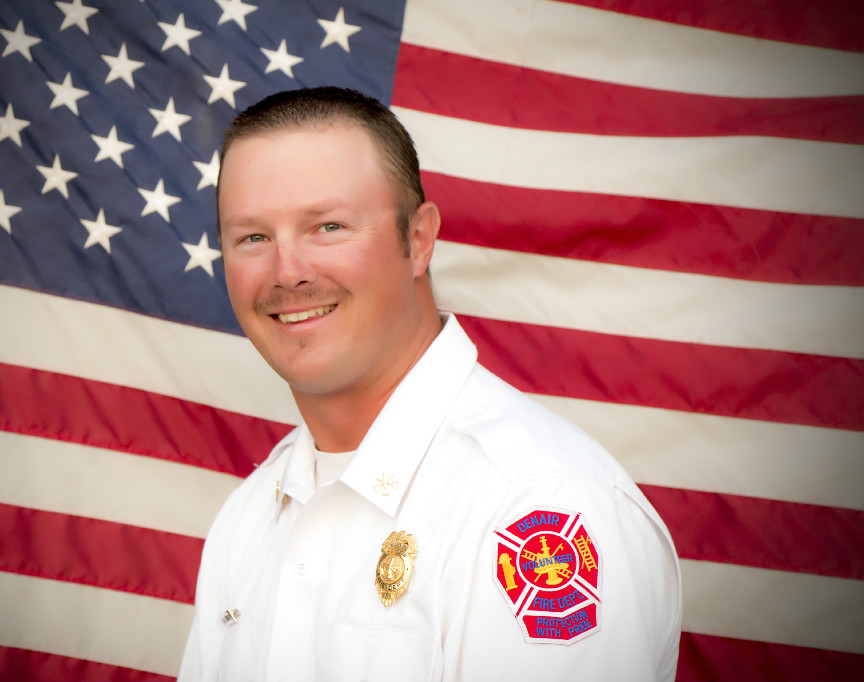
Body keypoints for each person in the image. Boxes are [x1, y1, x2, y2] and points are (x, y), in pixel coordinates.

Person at [179, 87, 682, 682]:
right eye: (253, 238)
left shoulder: (535, 507)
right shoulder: (250, 515)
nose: (287, 273)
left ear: (418, 240)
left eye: (328, 226)